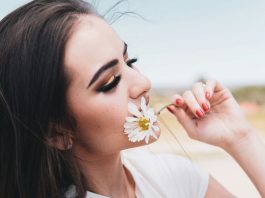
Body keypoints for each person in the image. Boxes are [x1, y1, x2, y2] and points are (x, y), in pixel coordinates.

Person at [0, 0, 264, 197]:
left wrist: (240, 137)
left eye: (130, 62)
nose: (143, 83)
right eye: (110, 82)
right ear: (57, 132)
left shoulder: (172, 176)